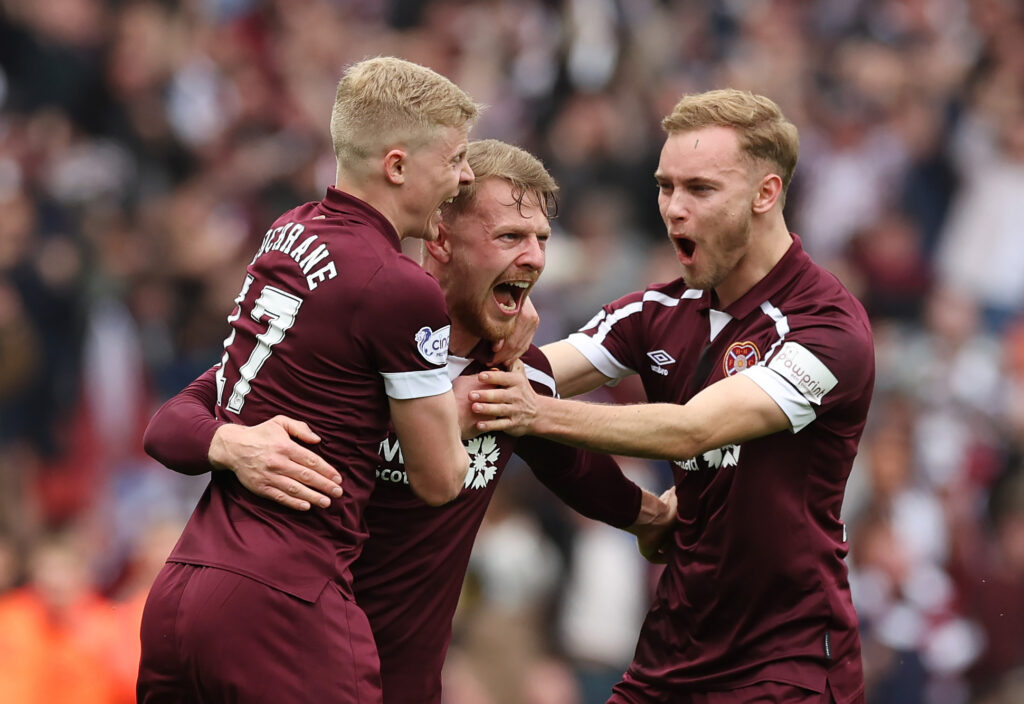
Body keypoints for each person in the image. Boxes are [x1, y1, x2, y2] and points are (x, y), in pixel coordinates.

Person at [143, 138, 676, 704]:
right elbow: (170, 423)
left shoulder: (514, 381)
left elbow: (582, 474)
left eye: (540, 239)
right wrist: (230, 443)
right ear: (441, 237)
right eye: (509, 237)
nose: (534, 258)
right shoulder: (341, 343)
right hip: (289, 652)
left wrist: (658, 518)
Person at [469, 89, 876, 703]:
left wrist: (535, 411)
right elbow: (530, 374)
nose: (673, 210)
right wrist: (487, 334)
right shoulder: (656, 312)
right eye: (666, 186)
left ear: (765, 194)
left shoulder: (827, 329)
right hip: (672, 654)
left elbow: (693, 429)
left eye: (700, 190)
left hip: (785, 662)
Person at [136, 56, 479, 703]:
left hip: (182, 592)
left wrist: (226, 441)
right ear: (398, 166)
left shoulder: (287, 233)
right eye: (456, 159)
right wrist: (480, 395)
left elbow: (171, 422)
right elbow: (440, 478)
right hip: (284, 606)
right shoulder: (397, 286)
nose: (463, 178)